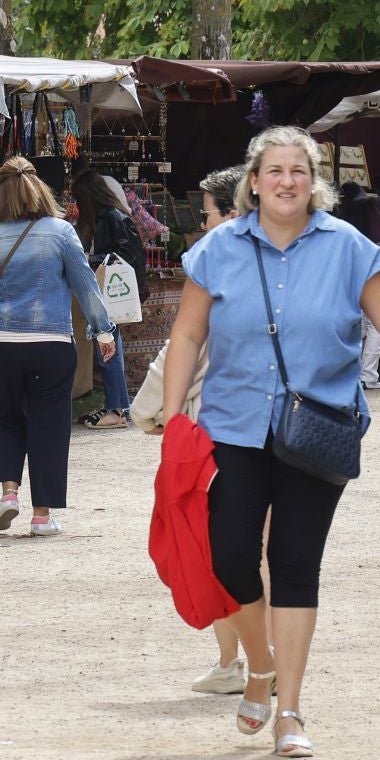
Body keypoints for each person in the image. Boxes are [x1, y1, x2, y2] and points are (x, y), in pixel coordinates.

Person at [158, 126, 380, 757]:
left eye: (299, 170)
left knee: (297, 565)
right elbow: (188, 336)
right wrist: (173, 419)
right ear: (253, 180)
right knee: (229, 559)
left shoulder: (349, 247)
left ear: (314, 180)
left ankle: (289, 711)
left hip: (317, 428)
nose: (287, 181)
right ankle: (260, 666)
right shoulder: (218, 250)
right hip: (233, 428)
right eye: (275, 171)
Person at [132, 168, 264, 694]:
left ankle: (238, 661)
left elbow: (177, 353)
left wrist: (151, 416)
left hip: (217, 432)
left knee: (220, 552)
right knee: (262, 550)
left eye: (206, 212)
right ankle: (265, 657)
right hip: (269, 424)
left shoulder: (214, 268)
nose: (201, 223)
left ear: (229, 214)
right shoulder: (277, 262)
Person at [0, 158, 117, 536]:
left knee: (7, 418)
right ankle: (42, 516)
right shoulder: (61, 232)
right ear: (40, 188)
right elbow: (84, 284)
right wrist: (103, 331)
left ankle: (9, 493)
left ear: (1, 191)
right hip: (51, 341)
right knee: (49, 424)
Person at [70, 166, 144, 429]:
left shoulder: (112, 218)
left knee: (107, 347)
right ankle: (118, 406)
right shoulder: (108, 217)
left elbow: (124, 256)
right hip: (109, 294)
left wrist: (90, 260)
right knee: (110, 347)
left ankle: (117, 409)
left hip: (113, 294)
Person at [335, 180, 380, 390]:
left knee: (362, 318)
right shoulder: (379, 203)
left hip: (358, 258)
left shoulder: (344, 213)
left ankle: (349, 371)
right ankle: (368, 375)